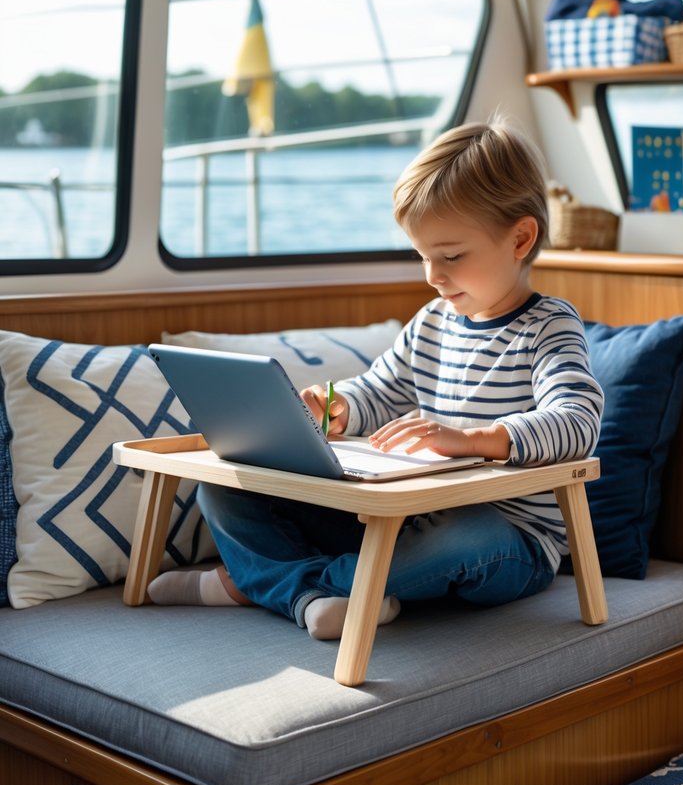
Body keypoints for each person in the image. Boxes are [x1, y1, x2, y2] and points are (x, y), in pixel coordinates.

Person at [148, 118, 604, 640]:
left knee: (462, 534)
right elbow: (380, 390)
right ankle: (318, 596)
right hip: (407, 515)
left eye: (451, 256)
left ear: (520, 238)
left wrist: (472, 440)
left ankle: (261, 585)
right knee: (226, 487)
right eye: (423, 256)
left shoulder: (550, 326)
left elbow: (577, 422)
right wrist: (338, 406)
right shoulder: (432, 322)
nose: (433, 274)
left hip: (510, 539)